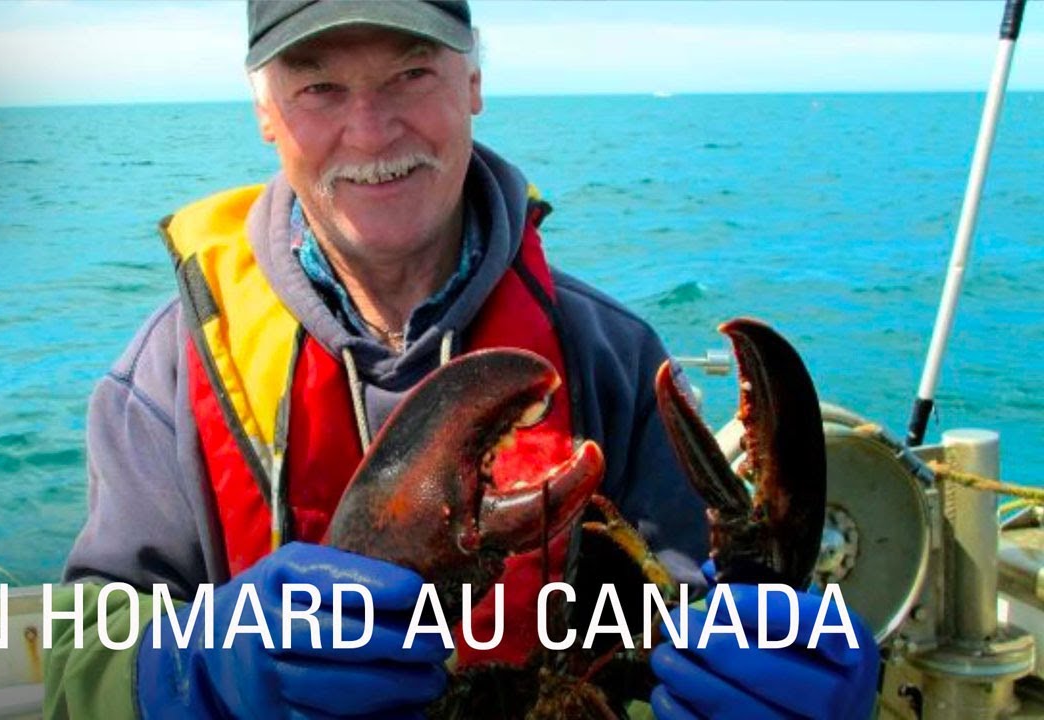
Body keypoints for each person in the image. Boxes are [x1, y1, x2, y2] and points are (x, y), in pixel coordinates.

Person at [44, 2, 879, 718]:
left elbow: (696, 610)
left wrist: (787, 668)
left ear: (473, 84)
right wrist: (198, 674)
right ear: (266, 113)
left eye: (412, 74)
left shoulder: (610, 355)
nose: (370, 130)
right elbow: (80, 667)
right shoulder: (166, 375)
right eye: (319, 86)